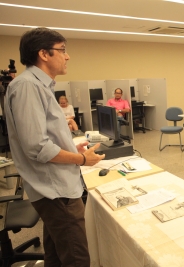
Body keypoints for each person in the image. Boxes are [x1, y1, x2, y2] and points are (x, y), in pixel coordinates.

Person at [4, 27, 104, 267]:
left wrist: (71, 148)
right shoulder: (28, 87)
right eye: (62, 50)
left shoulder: (40, 86)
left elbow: (44, 137)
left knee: (57, 256)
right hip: (56, 192)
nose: (67, 56)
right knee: (76, 259)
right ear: (44, 54)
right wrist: (82, 160)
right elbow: (38, 147)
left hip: (55, 188)